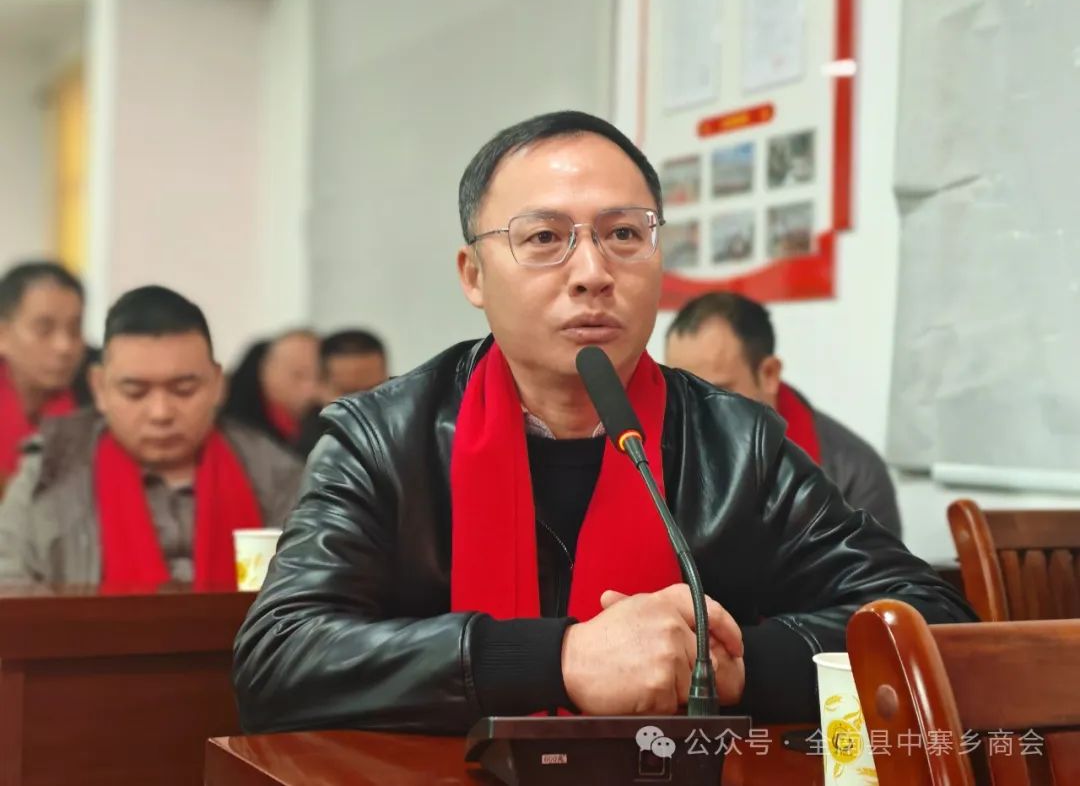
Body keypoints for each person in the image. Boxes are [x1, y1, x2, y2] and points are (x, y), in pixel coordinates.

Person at [233, 111, 972, 735]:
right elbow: (280, 658)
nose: (592, 272)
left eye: (623, 234)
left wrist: (726, 666)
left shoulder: (734, 445)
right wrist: (558, 659)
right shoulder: (384, 439)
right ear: (473, 276)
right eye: (544, 238)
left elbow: (937, 622)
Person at [0, 286, 303, 586]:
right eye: (136, 392)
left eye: (183, 390)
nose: (160, 413)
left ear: (217, 384)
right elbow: (11, 591)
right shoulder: (49, 473)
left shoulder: (277, 477)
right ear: (99, 388)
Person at [665, 292, 903, 537]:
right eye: (681, 393)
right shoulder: (655, 453)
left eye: (715, 393)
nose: (694, 414)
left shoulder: (854, 475)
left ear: (768, 374)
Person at [0, 262, 85, 479]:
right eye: (44, 329)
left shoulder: (100, 402)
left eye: (74, 329)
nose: (64, 346)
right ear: (3, 335)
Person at [223, 330, 320, 453]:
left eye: (320, 377)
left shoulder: (321, 418)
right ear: (266, 370)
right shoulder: (234, 427)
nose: (311, 389)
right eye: (298, 375)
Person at [297, 329, 389, 456]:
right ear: (320, 387)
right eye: (349, 393)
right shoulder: (299, 455)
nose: (362, 404)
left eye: (372, 389)